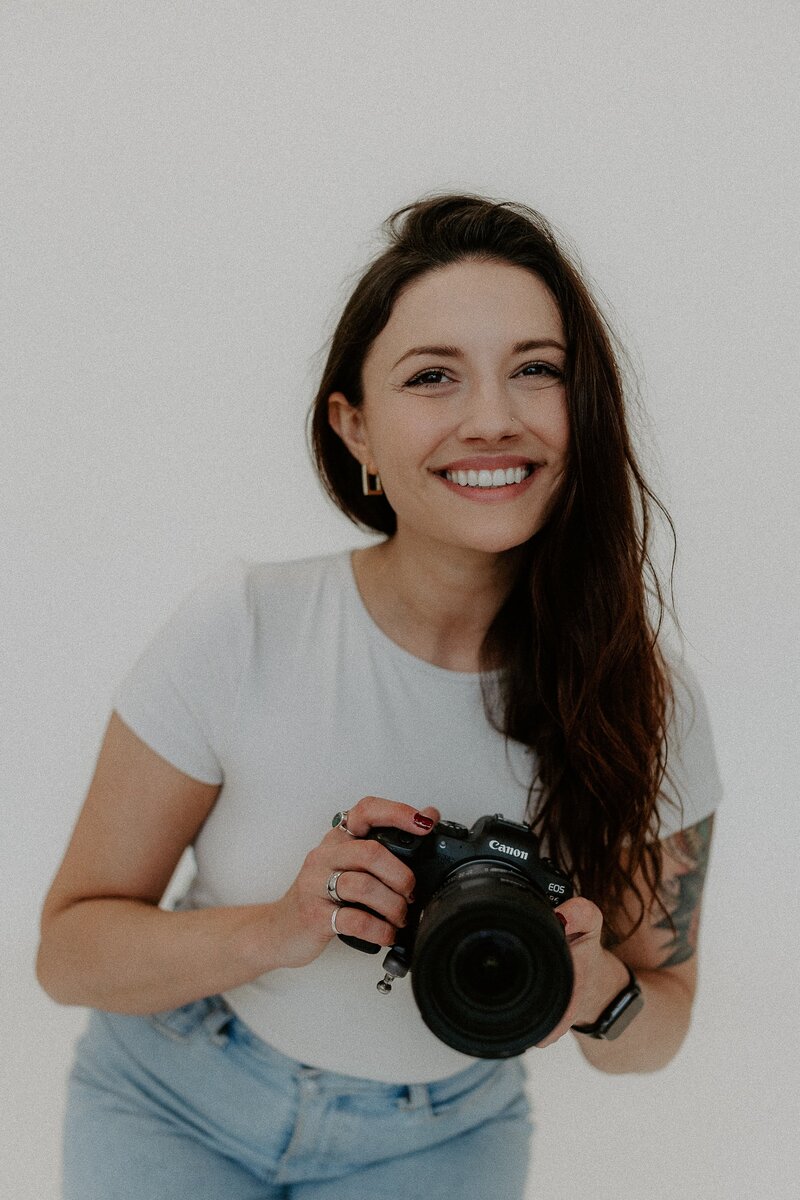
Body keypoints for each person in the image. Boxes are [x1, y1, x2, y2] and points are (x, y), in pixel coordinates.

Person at [36, 194, 721, 1199]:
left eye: (536, 369)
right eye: (432, 377)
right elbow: (68, 957)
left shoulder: (645, 702)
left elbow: (655, 1033)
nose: (491, 417)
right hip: (174, 1095)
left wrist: (593, 989)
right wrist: (282, 927)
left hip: (439, 1138)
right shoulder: (242, 627)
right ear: (354, 426)